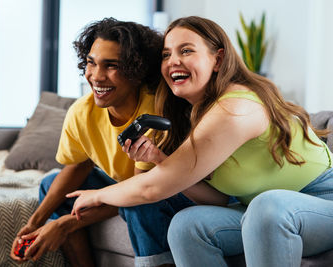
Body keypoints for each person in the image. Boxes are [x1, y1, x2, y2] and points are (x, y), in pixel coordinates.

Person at [67, 16, 333, 267]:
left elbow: (152, 189)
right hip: (255, 210)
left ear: (218, 59)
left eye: (186, 51)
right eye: (166, 54)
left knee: (268, 207)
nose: (173, 61)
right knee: (187, 225)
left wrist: (98, 194)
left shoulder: (235, 108)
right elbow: (217, 199)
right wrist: (161, 159)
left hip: (320, 203)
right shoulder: (196, 114)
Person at [10, 17, 164, 266]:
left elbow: (140, 191)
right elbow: (80, 165)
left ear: (137, 70)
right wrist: (33, 224)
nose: (96, 76)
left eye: (111, 66)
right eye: (91, 63)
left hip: (153, 189)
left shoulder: (153, 112)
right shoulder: (82, 112)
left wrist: (65, 224)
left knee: (139, 207)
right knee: (51, 184)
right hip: (123, 184)